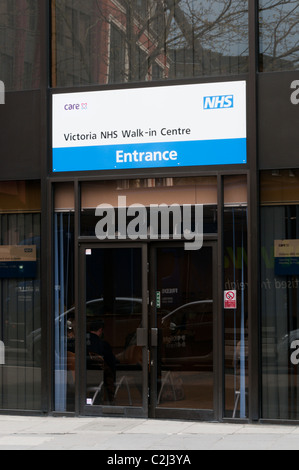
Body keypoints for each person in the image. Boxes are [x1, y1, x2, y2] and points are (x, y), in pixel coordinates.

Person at [86, 320, 117, 404]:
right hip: (100, 375)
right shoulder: (102, 344)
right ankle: (110, 400)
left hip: (84, 375)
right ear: (100, 330)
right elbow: (112, 361)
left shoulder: (81, 342)